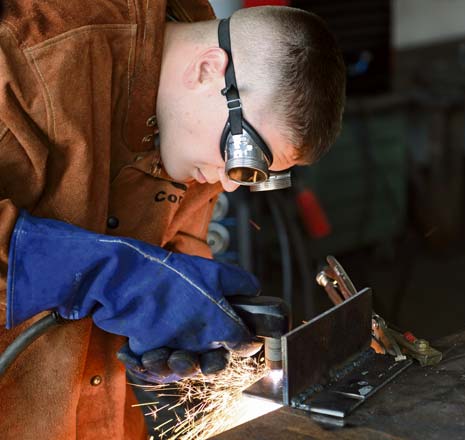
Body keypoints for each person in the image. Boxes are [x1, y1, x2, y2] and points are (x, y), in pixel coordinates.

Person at [0, 1, 346, 438]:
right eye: (241, 154)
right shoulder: (33, 53)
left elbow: (173, 249)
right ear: (207, 71)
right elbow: (126, 274)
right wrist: (110, 276)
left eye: (250, 171)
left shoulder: (188, 128)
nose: (230, 183)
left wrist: (179, 327)